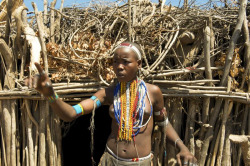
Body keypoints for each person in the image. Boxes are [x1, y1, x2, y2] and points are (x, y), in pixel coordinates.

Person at [26, 41, 198, 166]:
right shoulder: (107, 93)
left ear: (138, 64)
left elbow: (163, 122)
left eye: (125, 61)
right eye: (115, 61)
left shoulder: (153, 92)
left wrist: (182, 147)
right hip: (110, 160)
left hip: (140, 163)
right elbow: (70, 114)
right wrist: (50, 95)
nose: (119, 66)